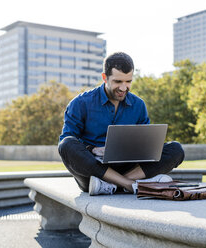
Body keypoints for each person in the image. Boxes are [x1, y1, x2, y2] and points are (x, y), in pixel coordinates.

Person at [58, 52, 184, 196]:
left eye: (128, 81)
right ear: (104, 78)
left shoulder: (138, 105)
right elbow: (66, 140)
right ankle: (129, 184)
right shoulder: (80, 103)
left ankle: (114, 184)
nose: (124, 88)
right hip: (93, 171)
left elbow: (146, 146)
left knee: (176, 149)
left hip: (129, 167)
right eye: (118, 82)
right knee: (66, 145)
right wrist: (92, 149)